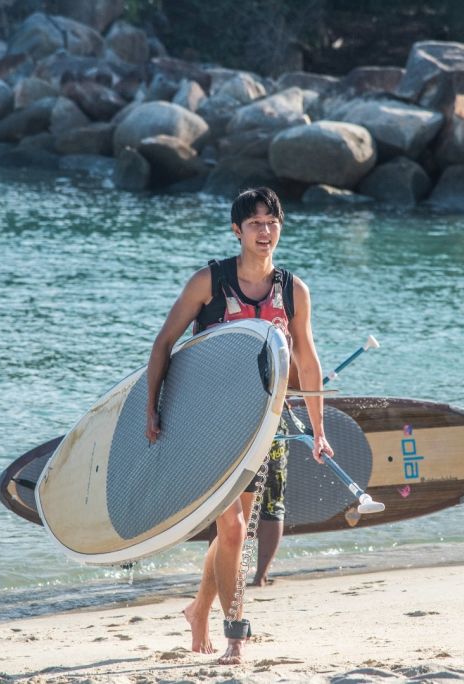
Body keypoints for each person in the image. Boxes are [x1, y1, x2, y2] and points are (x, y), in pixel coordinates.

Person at [144, 187, 333, 665]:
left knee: (235, 533)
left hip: (262, 426)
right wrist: (152, 409)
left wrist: (318, 429)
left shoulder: (293, 290)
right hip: (207, 423)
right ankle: (235, 635)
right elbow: (164, 343)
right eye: (254, 223)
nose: (265, 231)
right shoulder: (209, 282)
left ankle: (198, 610)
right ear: (237, 230)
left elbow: (307, 364)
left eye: (272, 222)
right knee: (230, 528)